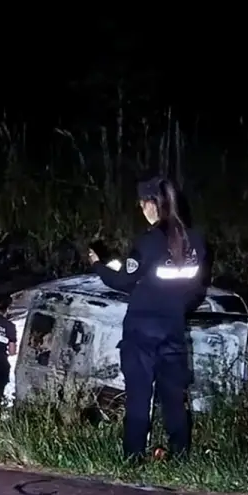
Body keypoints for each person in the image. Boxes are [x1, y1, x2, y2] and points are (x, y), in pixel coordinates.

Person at [89, 176, 206, 463]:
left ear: (152, 205)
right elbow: (197, 290)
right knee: (174, 400)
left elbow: (123, 281)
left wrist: (97, 265)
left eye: (142, 204)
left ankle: (133, 458)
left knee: (139, 396)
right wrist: (176, 309)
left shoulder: (149, 241)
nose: (142, 210)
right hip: (174, 330)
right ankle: (180, 458)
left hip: (141, 332)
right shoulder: (197, 241)